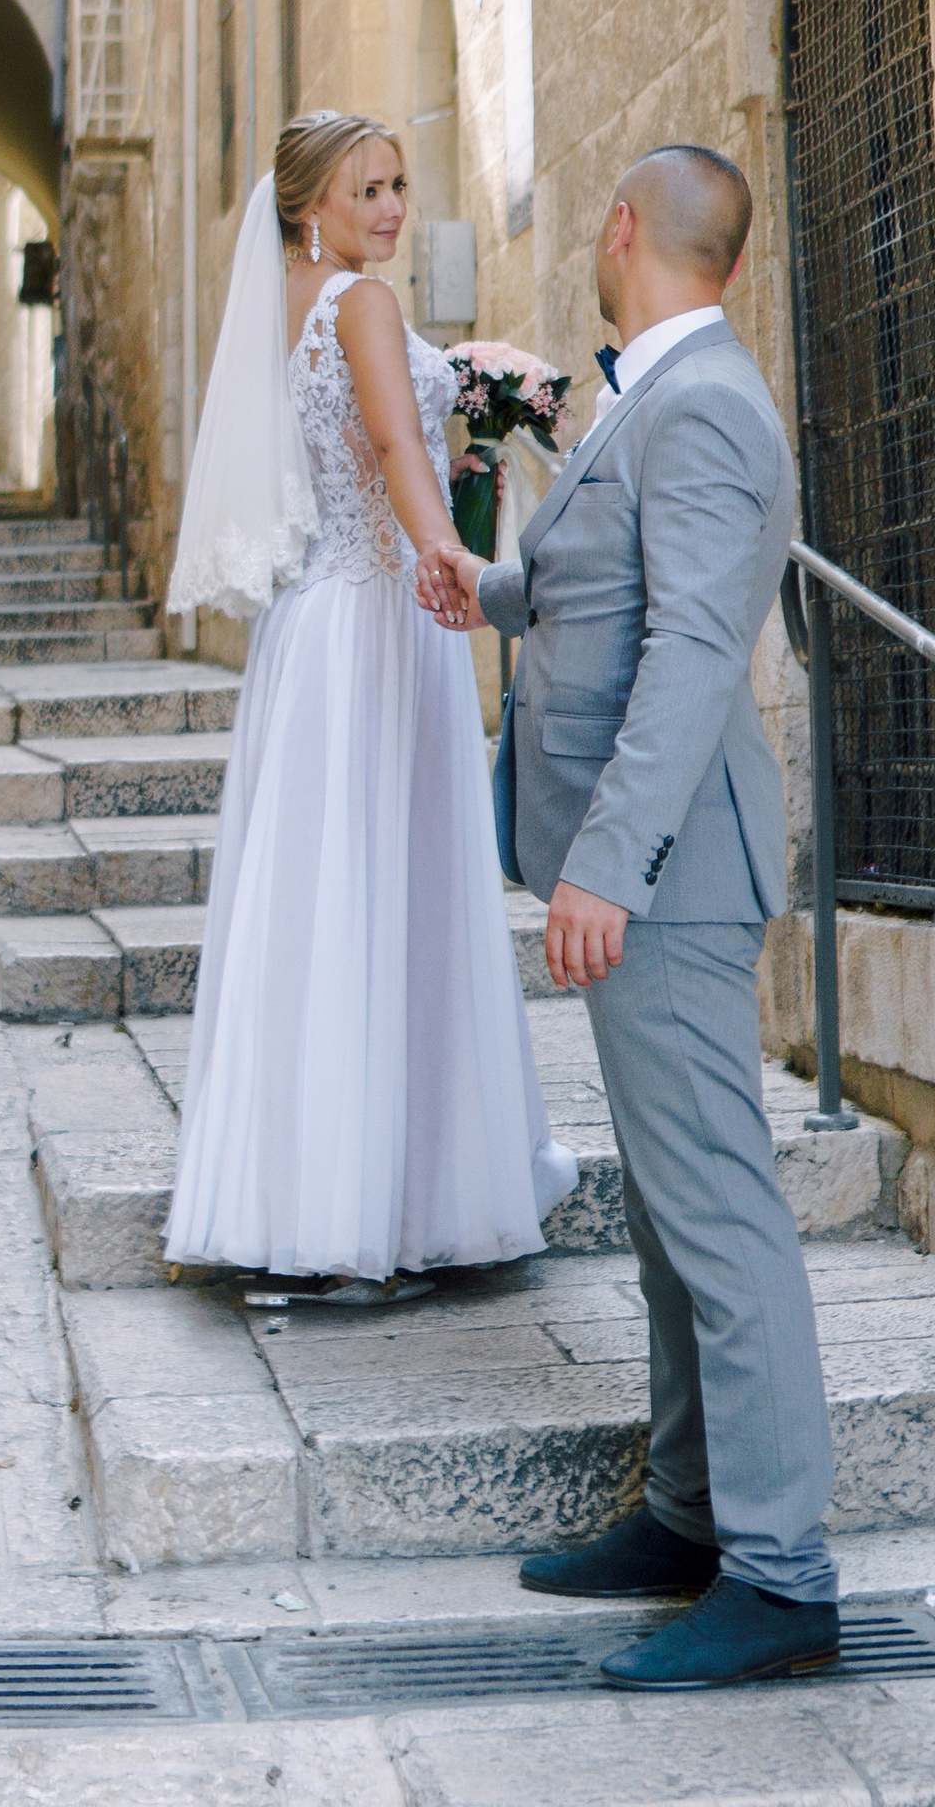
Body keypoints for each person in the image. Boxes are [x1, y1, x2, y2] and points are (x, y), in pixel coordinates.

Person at [419, 143, 840, 1689]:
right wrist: (490, 587)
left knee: (719, 1217)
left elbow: (690, 653)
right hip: (636, 863)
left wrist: (607, 863)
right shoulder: (652, 393)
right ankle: (686, 1511)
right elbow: (605, 579)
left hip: (664, 874)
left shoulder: (710, 404)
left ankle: (784, 1574)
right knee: (668, 1217)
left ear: (620, 234)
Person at [164, 108, 576, 1291]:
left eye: (399, 184)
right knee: (395, 890)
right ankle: (405, 1194)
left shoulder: (283, 306)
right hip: (384, 623)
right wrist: (449, 555)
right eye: (368, 191)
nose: (392, 209)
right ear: (310, 207)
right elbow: (397, 446)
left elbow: (352, 443)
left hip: (311, 633)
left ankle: (301, 1195)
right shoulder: (361, 304)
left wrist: (476, 398)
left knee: (320, 905)